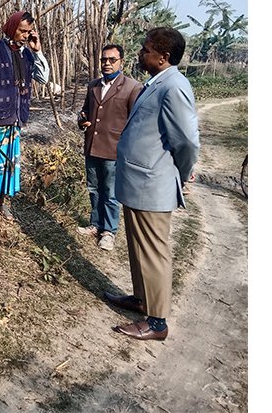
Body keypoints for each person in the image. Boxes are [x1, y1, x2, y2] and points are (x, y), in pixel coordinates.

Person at [104, 27, 200, 341]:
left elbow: (185, 141)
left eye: (146, 50)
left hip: (152, 184)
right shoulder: (156, 83)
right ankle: (142, 298)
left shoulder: (174, 86)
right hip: (138, 183)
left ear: (163, 56)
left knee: (153, 252)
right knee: (137, 247)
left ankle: (156, 322)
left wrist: (181, 174)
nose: (141, 54)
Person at [0, 11, 50, 227]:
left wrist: (38, 51)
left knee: (10, 163)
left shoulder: (27, 54)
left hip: (16, 117)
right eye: (22, 31)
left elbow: (43, 78)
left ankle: (3, 201)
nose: (25, 35)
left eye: (28, 31)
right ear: (11, 28)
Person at [76, 44, 142, 251]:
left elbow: (136, 122)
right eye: (104, 60)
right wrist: (82, 120)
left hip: (114, 149)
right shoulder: (93, 85)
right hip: (92, 146)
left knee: (111, 193)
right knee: (94, 189)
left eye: (112, 60)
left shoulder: (132, 87)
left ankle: (109, 232)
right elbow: (85, 111)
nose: (107, 63)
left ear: (121, 61)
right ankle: (95, 224)